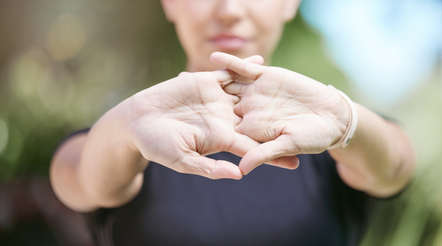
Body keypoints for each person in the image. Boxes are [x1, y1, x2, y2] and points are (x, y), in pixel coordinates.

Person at [50, 0, 416, 245]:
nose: (228, 10)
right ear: (169, 4)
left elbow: (396, 165)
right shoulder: (127, 136)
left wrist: (348, 122)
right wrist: (125, 127)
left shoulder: (330, 131)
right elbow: (79, 178)